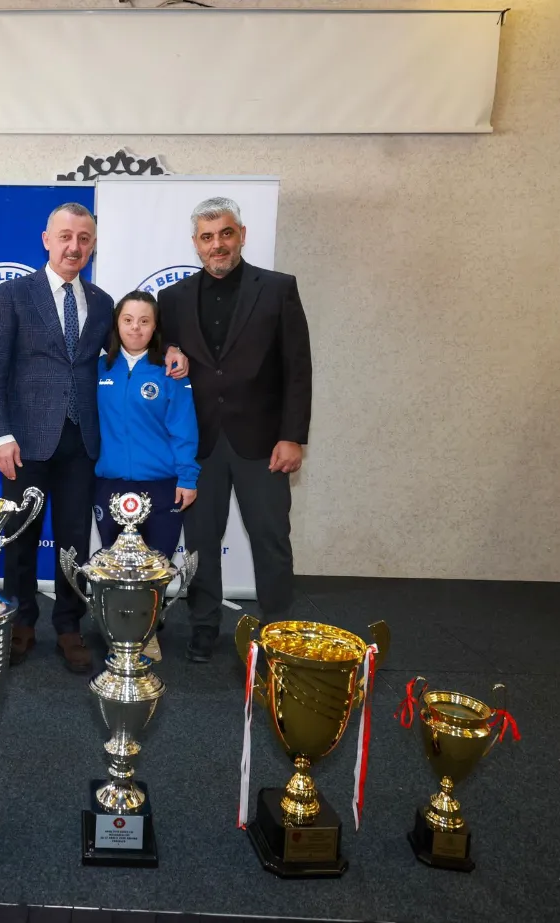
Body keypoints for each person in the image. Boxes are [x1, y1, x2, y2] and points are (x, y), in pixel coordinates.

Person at [0, 203, 188, 673]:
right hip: (25, 443)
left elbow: (134, 341)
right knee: (21, 537)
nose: (74, 247)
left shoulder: (101, 300)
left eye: (84, 239)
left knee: (74, 540)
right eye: (65, 236)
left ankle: (68, 627)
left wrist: (174, 346)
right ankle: (21, 623)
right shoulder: (14, 294)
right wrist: (0, 436)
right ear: (47, 240)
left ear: (92, 246)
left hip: (83, 445)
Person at [157, 197, 312, 663]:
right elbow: (165, 355)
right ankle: (204, 626)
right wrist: (168, 351)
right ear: (195, 243)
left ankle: (277, 630)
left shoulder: (278, 288)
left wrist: (292, 435)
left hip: (263, 442)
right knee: (201, 542)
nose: (217, 244)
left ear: (241, 235)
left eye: (225, 233)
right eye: (207, 237)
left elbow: (297, 368)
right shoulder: (173, 299)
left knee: (271, 538)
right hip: (199, 442)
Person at [94, 291, 199, 662]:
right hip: (110, 485)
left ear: (155, 328)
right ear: (117, 324)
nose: (135, 328)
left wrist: (187, 477)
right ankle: (119, 631)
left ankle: (147, 632)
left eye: (144, 321)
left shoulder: (170, 372)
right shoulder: (99, 369)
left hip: (161, 485)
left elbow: (184, 428)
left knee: (154, 568)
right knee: (116, 567)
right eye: (128, 320)